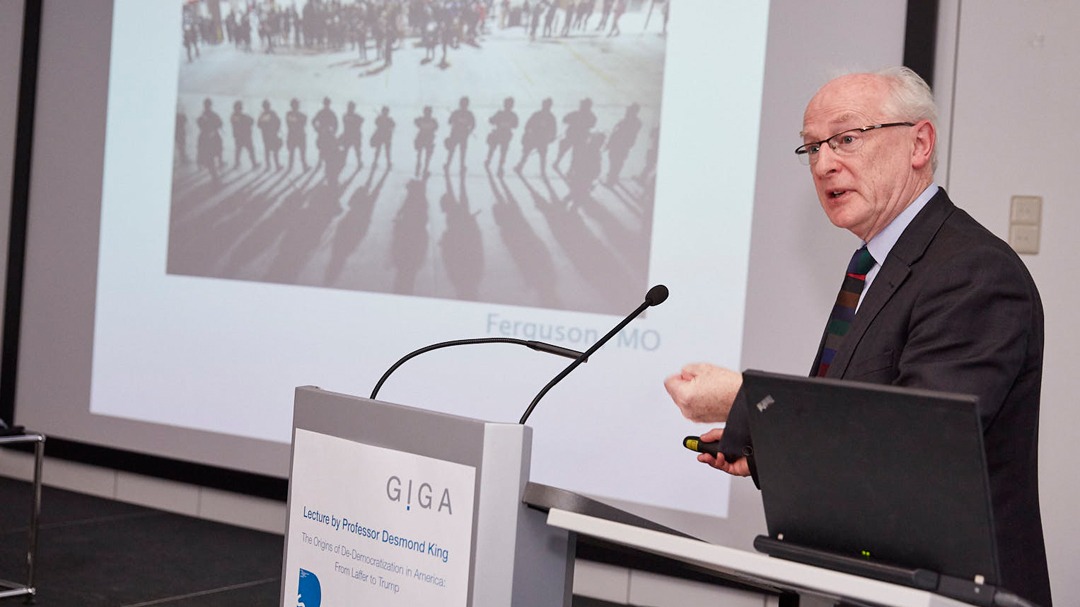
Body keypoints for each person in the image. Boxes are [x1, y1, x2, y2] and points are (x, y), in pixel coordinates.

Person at [664, 67, 1052, 606]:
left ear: (919, 143)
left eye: (846, 139)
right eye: (811, 148)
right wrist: (771, 448)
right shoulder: (874, 266)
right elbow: (867, 438)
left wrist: (747, 400)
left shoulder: (974, 272)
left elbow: (915, 444)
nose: (824, 163)